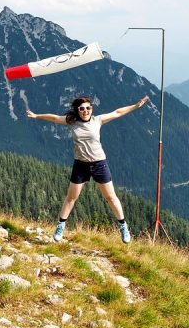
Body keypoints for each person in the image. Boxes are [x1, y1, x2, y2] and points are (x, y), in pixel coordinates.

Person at [26, 94, 149, 243]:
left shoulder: (98, 120)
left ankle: (123, 227)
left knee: (110, 197)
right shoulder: (72, 122)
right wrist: (37, 116)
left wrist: (136, 106)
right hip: (80, 165)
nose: (86, 111)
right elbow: (54, 118)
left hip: (99, 164)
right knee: (71, 198)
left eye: (88, 108)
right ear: (78, 110)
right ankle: (60, 226)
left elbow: (117, 112)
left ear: (92, 109)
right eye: (82, 108)